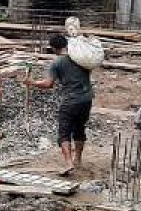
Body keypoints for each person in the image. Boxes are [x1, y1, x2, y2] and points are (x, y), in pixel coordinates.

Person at [25, 34, 94, 175]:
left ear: (54, 48)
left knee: (64, 132)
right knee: (79, 128)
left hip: (70, 100)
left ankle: (68, 163)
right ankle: (78, 159)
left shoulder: (57, 63)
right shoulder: (81, 58)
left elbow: (48, 84)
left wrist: (32, 82)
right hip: (87, 99)